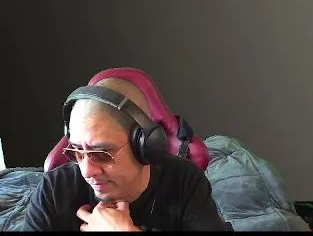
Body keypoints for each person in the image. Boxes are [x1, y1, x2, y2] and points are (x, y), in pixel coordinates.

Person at [23, 78, 228, 231]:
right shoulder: (54, 189)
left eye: (102, 153)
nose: (87, 171)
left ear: (146, 147)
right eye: (77, 151)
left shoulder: (185, 182)